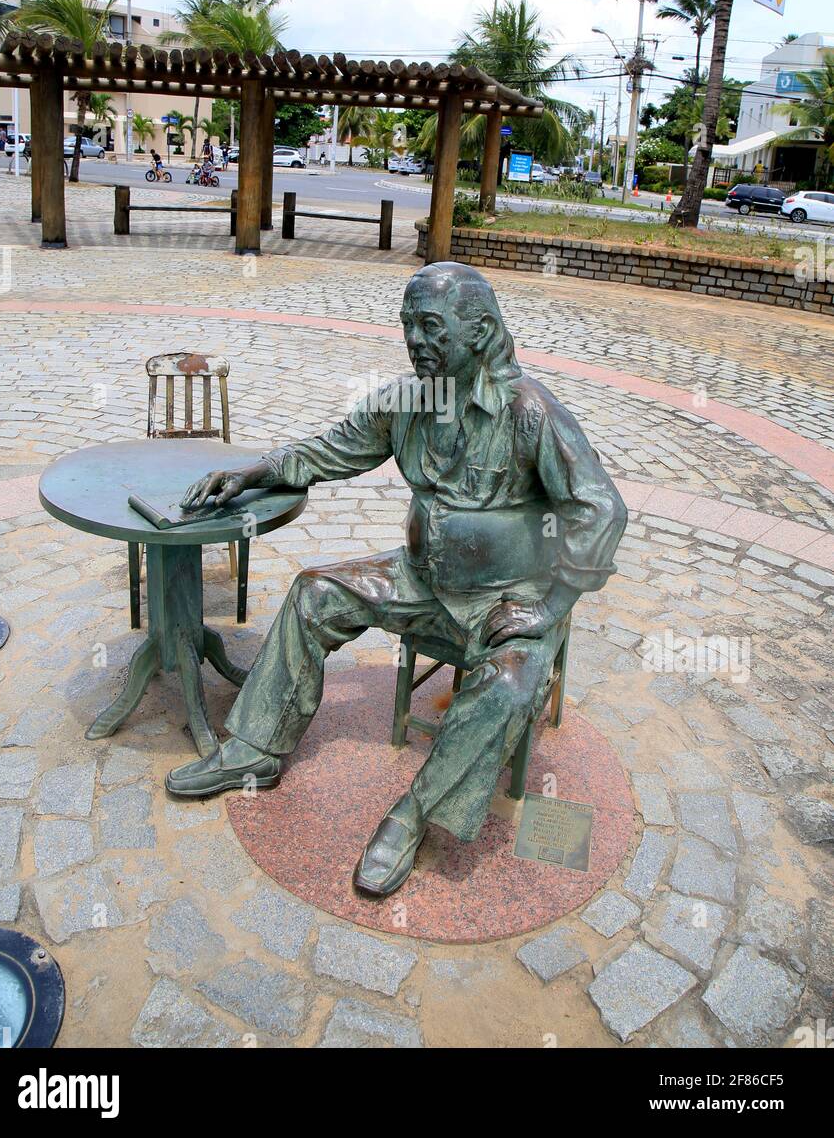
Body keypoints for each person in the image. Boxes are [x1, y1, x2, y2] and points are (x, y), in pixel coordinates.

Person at [169, 262, 627, 897]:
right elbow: (329, 450)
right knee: (313, 593)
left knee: (510, 683)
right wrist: (256, 470)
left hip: (507, 601)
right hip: (419, 580)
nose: (416, 340)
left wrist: (551, 606)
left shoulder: (531, 413)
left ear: (482, 331)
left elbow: (600, 507)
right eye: (409, 325)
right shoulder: (409, 400)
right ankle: (254, 749)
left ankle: (413, 814)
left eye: (432, 326)